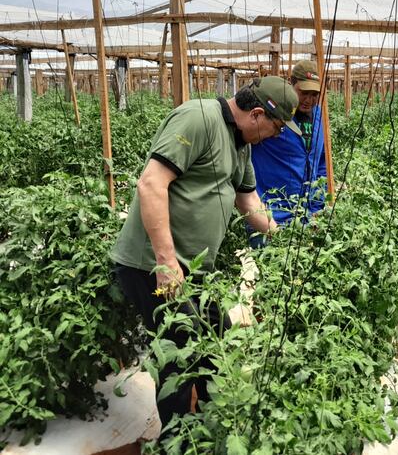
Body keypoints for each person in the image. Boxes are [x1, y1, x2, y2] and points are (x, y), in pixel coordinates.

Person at [110, 76, 300, 431]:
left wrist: (287, 237)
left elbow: (248, 202)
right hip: (153, 265)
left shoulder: (242, 143)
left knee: (217, 341)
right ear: (257, 114)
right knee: (178, 356)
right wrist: (166, 262)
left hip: (194, 268)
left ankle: (216, 426)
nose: (275, 136)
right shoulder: (198, 119)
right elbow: (151, 183)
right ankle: (178, 441)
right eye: (276, 129)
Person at [247, 60, 327, 244]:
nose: (309, 100)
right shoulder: (272, 113)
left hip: (307, 217)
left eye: (314, 94)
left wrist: (318, 206)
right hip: (270, 214)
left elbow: (322, 163)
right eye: (304, 93)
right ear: (290, 84)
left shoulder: (320, 116)